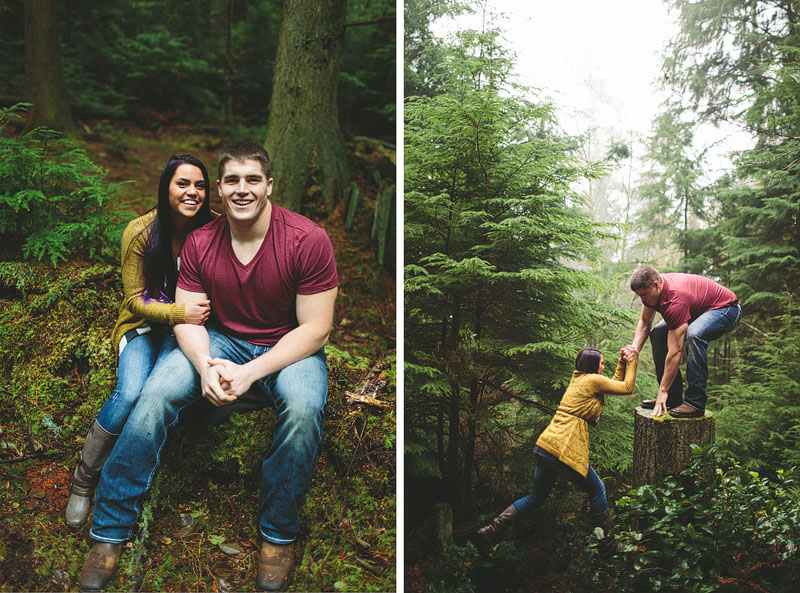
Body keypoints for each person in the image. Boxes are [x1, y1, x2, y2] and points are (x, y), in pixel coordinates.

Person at [78, 141, 338, 593]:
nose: (243, 190)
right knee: (154, 393)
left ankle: (277, 535)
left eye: (253, 179)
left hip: (289, 348)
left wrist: (252, 373)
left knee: (302, 409)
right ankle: (109, 530)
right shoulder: (201, 241)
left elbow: (316, 329)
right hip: (219, 340)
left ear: (269, 185)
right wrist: (202, 365)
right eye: (233, 180)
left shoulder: (307, 239)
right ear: (219, 188)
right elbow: (188, 317)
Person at [65, 155, 214, 529]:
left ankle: (124, 481)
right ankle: (84, 479)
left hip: (192, 333)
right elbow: (135, 300)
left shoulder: (215, 230)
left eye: (199, 185)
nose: (192, 192)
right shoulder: (141, 230)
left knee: (158, 394)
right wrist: (179, 314)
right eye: (183, 184)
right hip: (143, 327)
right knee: (130, 392)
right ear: (166, 187)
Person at [475, 347, 638, 555]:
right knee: (597, 490)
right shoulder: (591, 381)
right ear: (592, 366)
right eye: (602, 363)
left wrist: (622, 362)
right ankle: (607, 546)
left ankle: (491, 530)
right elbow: (626, 387)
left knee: (536, 497)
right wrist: (633, 360)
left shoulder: (580, 380)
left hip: (547, 446)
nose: (603, 366)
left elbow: (612, 384)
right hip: (565, 448)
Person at [625, 265, 740, 418]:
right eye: (639, 295)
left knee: (695, 335)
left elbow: (675, 353)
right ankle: (672, 399)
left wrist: (662, 390)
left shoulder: (674, 300)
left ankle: (695, 403)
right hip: (697, 310)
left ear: (656, 285)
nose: (643, 300)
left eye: (644, 294)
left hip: (725, 309)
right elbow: (645, 322)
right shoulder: (653, 289)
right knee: (658, 334)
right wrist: (635, 349)